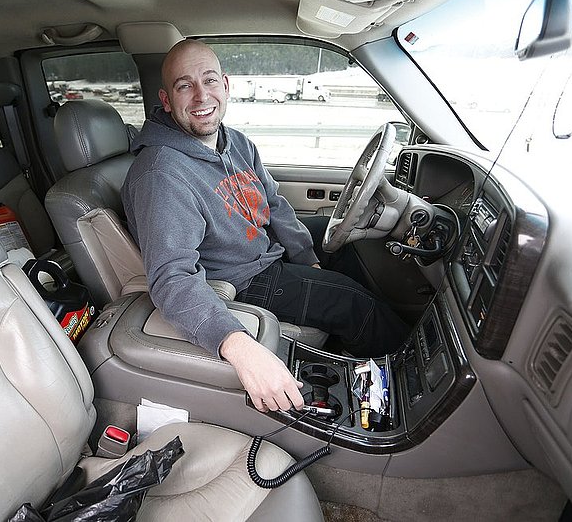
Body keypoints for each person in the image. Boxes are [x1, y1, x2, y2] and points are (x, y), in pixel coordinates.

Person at [121, 39, 408, 413]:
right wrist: (235, 343)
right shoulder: (161, 174)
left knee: (341, 242)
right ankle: (408, 378)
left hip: (262, 251)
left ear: (226, 85)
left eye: (209, 81)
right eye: (184, 85)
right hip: (239, 281)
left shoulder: (235, 142)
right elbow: (171, 277)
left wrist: (309, 260)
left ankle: (354, 348)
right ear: (166, 99)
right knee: (352, 301)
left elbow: (275, 205)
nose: (199, 95)